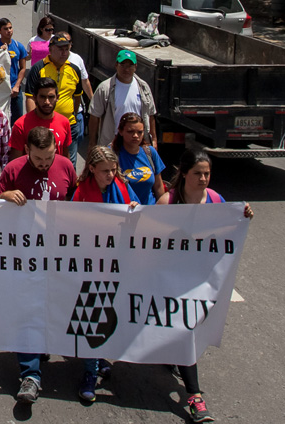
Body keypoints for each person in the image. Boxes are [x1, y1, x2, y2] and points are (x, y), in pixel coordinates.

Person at [157, 149, 252, 423]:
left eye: (207, 173)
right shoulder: (167, 202)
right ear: (184, 173)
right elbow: (149, 239)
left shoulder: (215, 200)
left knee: (185, 330)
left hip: (200, 281)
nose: (203, 179)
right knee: (186, 332)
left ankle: (170, 353)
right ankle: (195, 397)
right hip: (171, 281)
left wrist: (244, 215)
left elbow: (230, 226)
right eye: (197, 173)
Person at [0, 126, 77, 403]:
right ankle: (30, 375)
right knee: (27, 311)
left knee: (57, 307)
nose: (44, 164)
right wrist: (4, 196)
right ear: (27, 150)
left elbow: (80, 201)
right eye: (38, 159)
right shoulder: (14, 169)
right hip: (23, 256)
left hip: (59, 255)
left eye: (48, 158)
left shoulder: (66, 166)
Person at [70, 144, 139, 402]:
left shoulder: (121, 187)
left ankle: (97, 358)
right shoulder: (81, 194)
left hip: (116, 263)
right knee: (93, 315)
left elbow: (139, 212)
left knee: (110, 312)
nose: (110, 175)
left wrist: (134, 208)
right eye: (105, 171)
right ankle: (89, 372)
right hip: (91, 264)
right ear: (91, 170)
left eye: (113, 170)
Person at [23, 33, 84, 165]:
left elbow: (77, 96)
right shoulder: (38, 68)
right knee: (43, 161)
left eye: (66, 49)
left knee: (68, 163)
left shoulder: (74, 69)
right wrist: (34, 124)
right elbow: (30, 98)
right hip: (44, 125)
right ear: (50, 50)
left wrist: (72, 114)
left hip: (69, 125)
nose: (64, 52)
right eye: (60, 49)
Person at [88, 49, 157, 150]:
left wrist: (154, 139)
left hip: (137, 143)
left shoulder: (143, 87)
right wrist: (92, 143)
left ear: (135, 67)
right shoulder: (105, 88)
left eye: (130, 65)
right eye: (123, 65)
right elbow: (94, 116)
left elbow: (150, 114)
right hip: (113, 143)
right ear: (116, 65)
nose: (126, 69)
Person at [10, 77, 72, 159]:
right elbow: (15, 162)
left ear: (57, 97)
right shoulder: (21, 125)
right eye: (42, 97)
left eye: (51, 97)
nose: (47, 102)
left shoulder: (64, 122)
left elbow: (65, 156)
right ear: (35, 97)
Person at [112, 112, 166, 204]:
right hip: (123, 211)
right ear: (120, 131)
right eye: (130, 132)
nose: (135, 136)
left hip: (149, 212)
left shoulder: (150, 152)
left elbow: (158, 186)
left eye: (140, 132)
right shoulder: (112, 154)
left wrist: (163, 209)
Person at [0, 18, 28, 122]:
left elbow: (23, 68)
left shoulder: (19, 46)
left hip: (15, 88)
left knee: (18, 119)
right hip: (0, 87)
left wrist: (17, 86)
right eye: (5, 29)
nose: (9, 31)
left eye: (10, 28)